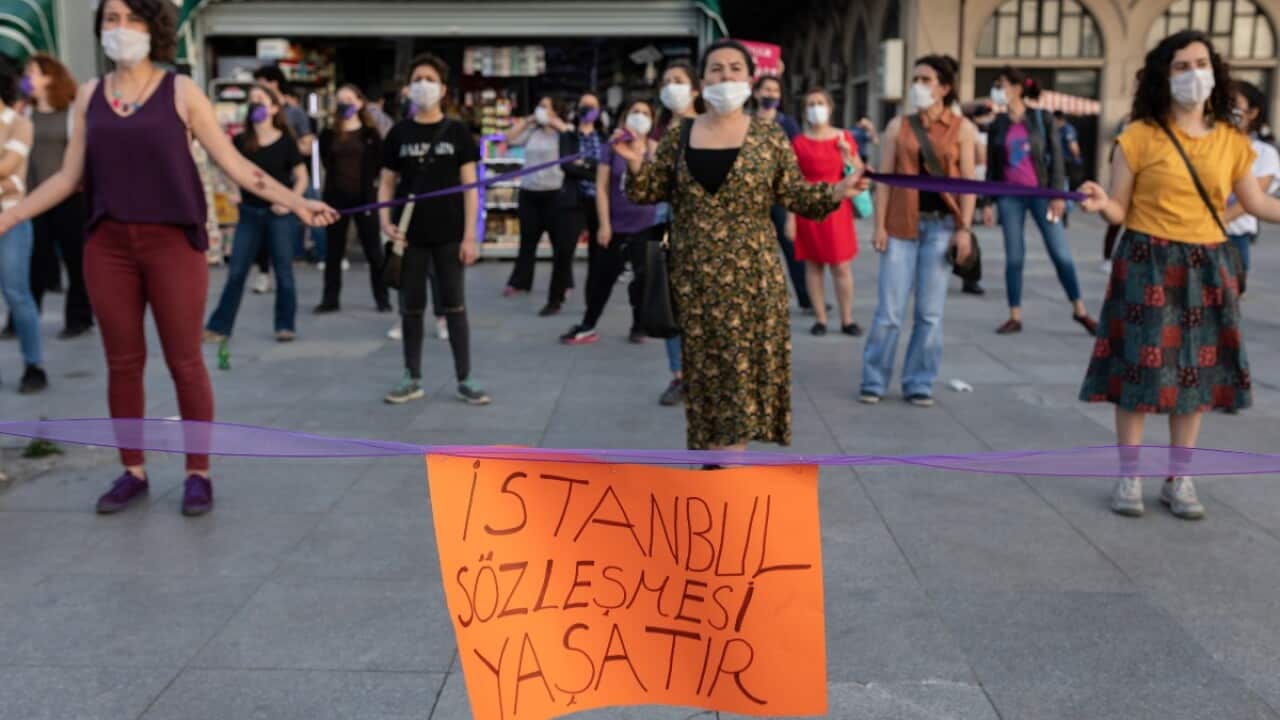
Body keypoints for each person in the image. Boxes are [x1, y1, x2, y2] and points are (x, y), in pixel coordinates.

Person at [0, 0, 336, 515]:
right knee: (122, 364)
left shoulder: (181, 92)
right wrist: (10, 215)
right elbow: (69, 177)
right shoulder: (90, 95)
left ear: (152, 29)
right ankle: (131, 470)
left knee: (185, 362)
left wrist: (297, 202)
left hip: (173, 244)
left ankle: (197, 471)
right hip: (107, 246)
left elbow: (236, 166)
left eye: (132, 19)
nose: (120, 29)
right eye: (111, 19)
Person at [620, 39, 867, 452]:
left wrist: (839, 189)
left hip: (752, 282)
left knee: (739, 394)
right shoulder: (680, 135)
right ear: (703, 81)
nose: (726, 77)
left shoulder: (768, 137)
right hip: (694, 281)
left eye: (736, 68)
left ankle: (726, 479)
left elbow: (795, 195)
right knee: (704, 389)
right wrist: (632, 162)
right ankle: (715, 476)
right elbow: (648, 191)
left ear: (750, 80)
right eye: (716, 69)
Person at [1077, 30, 1280, 520]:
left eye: (1201, 63)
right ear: (1164, 77)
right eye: (1182, 66)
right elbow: (1120, 206)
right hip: (1147, 261)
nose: (1194, 74)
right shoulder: (1139, 135)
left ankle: (1180, 477)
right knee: (1139, 370)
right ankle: (1129, 475)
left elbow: (1253, 203)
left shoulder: (1233, 141)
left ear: (1216, 71)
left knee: (1196, 373)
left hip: (1209, 262)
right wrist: (1104, 205)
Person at [860, 55, 977, 408]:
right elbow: (882, 181)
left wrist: (965, 229)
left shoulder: (963, 128)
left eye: (926, 80)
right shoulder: (899, 126)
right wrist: (878, 225)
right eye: (916, 79)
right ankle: (874, 380)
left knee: (929, 313)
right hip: (900, 226)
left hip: (941, 227)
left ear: (944, 87)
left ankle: (919, 382)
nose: (918, 86)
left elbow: (968, 184)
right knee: (889, 312)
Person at [379, 53, 489, 406]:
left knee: (454, 307)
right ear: (409, 88)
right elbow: (386, 183)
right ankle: (411, 376)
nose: (422, 85)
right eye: (417, 79)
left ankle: (465, 378)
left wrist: (471, 236)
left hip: (450, 235)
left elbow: (471, 187)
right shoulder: (399, 133)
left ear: (442, 89)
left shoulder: (457, 132)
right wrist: (385, 222)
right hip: (409, 235)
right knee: (411, 309)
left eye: (429, 79)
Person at [986, 67, 1095, 336]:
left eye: (1002, 85)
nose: (998, 91)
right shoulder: (998, 124)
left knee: (1060, 253)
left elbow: (1057, 158)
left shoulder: (1041, 118)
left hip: (1041, 195)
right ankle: (1015, 315)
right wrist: (987, 202)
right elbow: (992, 165)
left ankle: (1079, 309)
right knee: (1014, 256)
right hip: (1009, 196)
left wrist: (1057, 194)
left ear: (1017, 88)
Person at [203, 83, 306, 342]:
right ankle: (219, 326)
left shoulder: (285, 141)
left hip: (278, 214)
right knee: (237, 270)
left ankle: (285, 325)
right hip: (249, 213)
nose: (255, 105)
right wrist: (234, 191)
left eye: (260, 100)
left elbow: (301, 176)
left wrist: (291, 201)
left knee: (283, 270)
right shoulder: (241, 141)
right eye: (252, 101)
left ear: (273, 108)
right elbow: (232, 170)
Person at [560, 99, 660, 345]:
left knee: (643, 278)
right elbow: (602, 187)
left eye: (645, 113)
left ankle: (639, 325)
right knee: (602, 277)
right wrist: (604, 224)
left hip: (647, 222)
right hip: (615, 223)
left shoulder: (656, 148)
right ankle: (588, 324)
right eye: (634, 111)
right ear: (624, 117)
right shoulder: (611, 147)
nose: (639, 116)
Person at [24, 53, 93, 339]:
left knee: (76, 260)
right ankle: (24, 318)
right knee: (33, 261)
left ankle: (79, 318)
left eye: (33, 74)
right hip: (33, 198)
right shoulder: (24, 113)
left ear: (50, 77)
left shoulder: (72, 112)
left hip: (69, 199)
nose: (27, 80)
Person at [314, 84, 390, 314]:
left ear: (359, 102)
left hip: (365, 198)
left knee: (374, 252)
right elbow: (326, 161)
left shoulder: (370, 134)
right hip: (335, 198)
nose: (345, 104)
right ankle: (330, 299)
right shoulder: (328, 134)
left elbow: (380, 163)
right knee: (334, 252)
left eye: (349, 99)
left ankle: (382, 298)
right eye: (340, 99)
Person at [792, 88, 861, 336]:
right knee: (814, 266)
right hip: (808, 208)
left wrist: (847, 154)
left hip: (838, 207)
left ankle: (847, 319)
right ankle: (820, 318)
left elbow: (859, 174)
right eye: (811, 103)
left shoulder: (843, 137)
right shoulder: (798, 142)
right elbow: (792, 182)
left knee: (841, 266)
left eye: (820, 103)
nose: (816, 108)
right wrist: (790, 217)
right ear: (805, 111)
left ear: (830, 108)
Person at [654, 60, 701, 408]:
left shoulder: (706, 128)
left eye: (679, 81)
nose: (672, 87)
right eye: (667, 82)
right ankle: (678, 376)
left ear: (695, 90)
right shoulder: (658, 132)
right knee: (671, 304)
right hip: (664, 221)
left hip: (701, 225)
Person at [0, 58, 45, 393]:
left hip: (9, 220)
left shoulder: (18, 123)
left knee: (17, 294)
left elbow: (9, 166)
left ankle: (34, 365)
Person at [752, 74, 813, 314]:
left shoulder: (787, 124)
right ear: (756, 93)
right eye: (766, 90)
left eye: (775, 91)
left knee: (791, 247)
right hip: (753, 195)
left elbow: (800, 156)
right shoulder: (745, 122)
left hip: (781, 195)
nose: (770, 95)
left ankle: (807, 298)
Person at [541, 92, 604, 317]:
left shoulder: (604, 137)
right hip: (573, 200)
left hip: (599, 202)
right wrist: (593, 169)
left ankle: (593, 303)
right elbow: (567, 166)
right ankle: (554, 300)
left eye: (592, 105)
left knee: (598, 256)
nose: (587, 109)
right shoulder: (568, 136)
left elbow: (605, 167)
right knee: (563, 252)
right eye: (584, 105)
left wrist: (585, 165)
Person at [253, 65, 317, 281]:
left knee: (296, 222)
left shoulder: (294, 113)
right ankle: (263, 272)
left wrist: (283, 147)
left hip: (288, 179)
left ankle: (305, 253)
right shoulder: (251, 124)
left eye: (262, 83)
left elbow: (308, 145)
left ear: (274, 83)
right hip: (258, 187)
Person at [502, 96, 568, 297]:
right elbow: (509, 138)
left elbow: (575, 140)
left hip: (555, 193)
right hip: (529, 193)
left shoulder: (562, 133)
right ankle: (520, 282)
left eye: (545, 107)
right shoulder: (532, 132)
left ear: (555, 111)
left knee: (560, 244)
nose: (541, 109)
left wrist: (556, 123)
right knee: (527, 242)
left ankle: (563, 284)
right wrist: (529, 120)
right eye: (539, 106)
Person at [1222, 80, 1278, 296]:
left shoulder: (1263, 153)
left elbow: (1255, 200)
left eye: (1234, 102)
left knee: (1229, 299)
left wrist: (1218, 220)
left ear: (1252, 112)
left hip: (1235, 236)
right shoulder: (1208, 144)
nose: (1228, 108)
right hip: (1197, 235)